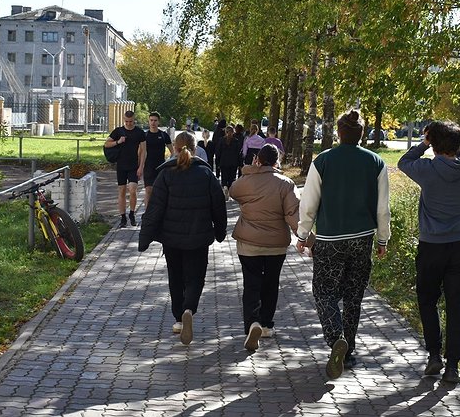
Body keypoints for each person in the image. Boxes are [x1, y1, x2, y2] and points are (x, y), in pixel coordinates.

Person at [296, 109, 391, 380]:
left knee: (324, 292)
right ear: (362, 134)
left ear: (339, 133)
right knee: (353, 297)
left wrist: (303, 235)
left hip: (329, 240)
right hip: (362, 239)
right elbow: (382, 207)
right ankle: (347, 352)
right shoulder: (376, 162)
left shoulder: (323, 161)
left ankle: (335, 337)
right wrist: (382, 238)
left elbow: (309, 202)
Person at [397, 120, 460, 385]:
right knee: (456, 307)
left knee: (427, 300)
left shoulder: (427, 169)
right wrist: (457, 139)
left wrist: (424, 143)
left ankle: (434, 355)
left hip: (431, 246)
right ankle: (452, 367)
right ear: (458, 144)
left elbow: (403, 161)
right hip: (459, 246)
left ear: (433, 144)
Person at [138, 131, 227, 345]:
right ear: (196, 149)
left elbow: (154, 209)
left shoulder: (166, 174)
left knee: (175, 278)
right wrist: (220, 231)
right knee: (195, 277)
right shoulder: (206, 175)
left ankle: (179, 319)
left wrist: (144, 238)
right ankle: (189, 308)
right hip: (199, 238)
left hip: (171, 239)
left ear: (175, 149)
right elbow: (219, 206)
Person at [229, 144, 299, 351]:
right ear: (278, 161)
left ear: (257, 159)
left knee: (251, 283)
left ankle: (253, 322)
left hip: (248, 244)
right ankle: (267, 324)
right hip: (276, 245)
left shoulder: (246, 181)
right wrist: (306, 239)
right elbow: (292, 214)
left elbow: (233, 191)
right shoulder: (286, 184)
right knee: (271, 283)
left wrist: (251, 170)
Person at [105, 110, 146, 228]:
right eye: (126, 121)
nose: (128, 123)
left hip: (134, 166)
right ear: (124, 120)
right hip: (121, 166)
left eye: (131, 121)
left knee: (133, 190)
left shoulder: (139, 132)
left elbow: (143, 151)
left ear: (134, 120)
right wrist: (118, 141)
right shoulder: (118, 131)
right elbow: (107, 144)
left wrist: (141, 167)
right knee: (122, 191)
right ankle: (123, 217)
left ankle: (132, 214)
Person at [142, 111, 174, 206]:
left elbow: (173, 152)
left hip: (161, 166)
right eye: (151, 120)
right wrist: (139, 166)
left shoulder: (164, 135)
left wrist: (169, 163)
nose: (153, 123)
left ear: (158, 122)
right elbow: (140, 152)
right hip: (148, 166)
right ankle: (147, 214)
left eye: (155, 120)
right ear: (148, 121)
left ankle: (160, 212)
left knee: (160, 191)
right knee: (148, 190)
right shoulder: (145, 136)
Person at [217, 126, 241, 200]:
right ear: (233, 132)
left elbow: (218, 152)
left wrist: (218, 162)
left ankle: (225, 188)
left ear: (225, 132)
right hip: (233, 162)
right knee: (232, 178)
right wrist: (239, 163)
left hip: (223, 162)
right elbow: (238, 153)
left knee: (224, 177)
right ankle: (230, 191)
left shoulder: (221, 140)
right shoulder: (236, 141)